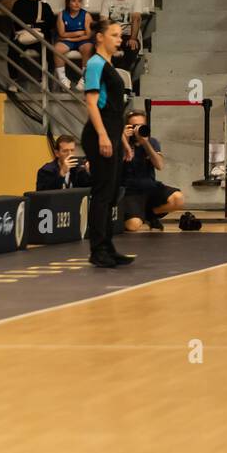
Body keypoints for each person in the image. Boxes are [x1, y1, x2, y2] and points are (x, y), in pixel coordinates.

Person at [80, 19, 134, 267]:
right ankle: (97, 249)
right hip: (98, 134)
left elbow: (114, 109)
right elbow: (92, 103)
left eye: (119, 36)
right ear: (100, 37)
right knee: (102, 193)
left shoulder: (108, 64)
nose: (119, 39)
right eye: (114, 35)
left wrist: (122, 139)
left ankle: (108, 246)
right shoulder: (94, 64)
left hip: (112, 132)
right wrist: (103, 135)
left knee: (112, 193)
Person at [120, 110, 184, 231]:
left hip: (150, 187)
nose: (137, 129)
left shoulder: (152, 141)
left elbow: (159, 165)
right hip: (129, 191)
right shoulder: (119, 143)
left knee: (178, 199)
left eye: (140, 126)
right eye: (133, 126)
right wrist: (124, 142)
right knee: (132, 226)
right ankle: (140, 215)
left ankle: (150, 215)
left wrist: (145, 143)